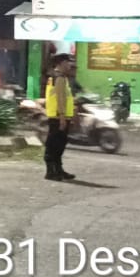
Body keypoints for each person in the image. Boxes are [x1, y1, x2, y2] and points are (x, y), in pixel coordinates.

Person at [43, 53, 76, 182]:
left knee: (58, 145)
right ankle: (51, 172)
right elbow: (60, 98)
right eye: (68, 62)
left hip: (57, 116)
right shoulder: (59, 78)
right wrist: (62, 117)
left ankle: (58, 170)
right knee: (55, 145)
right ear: (61, 63)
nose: (70, 65)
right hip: (58, 117)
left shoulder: (54, 76)